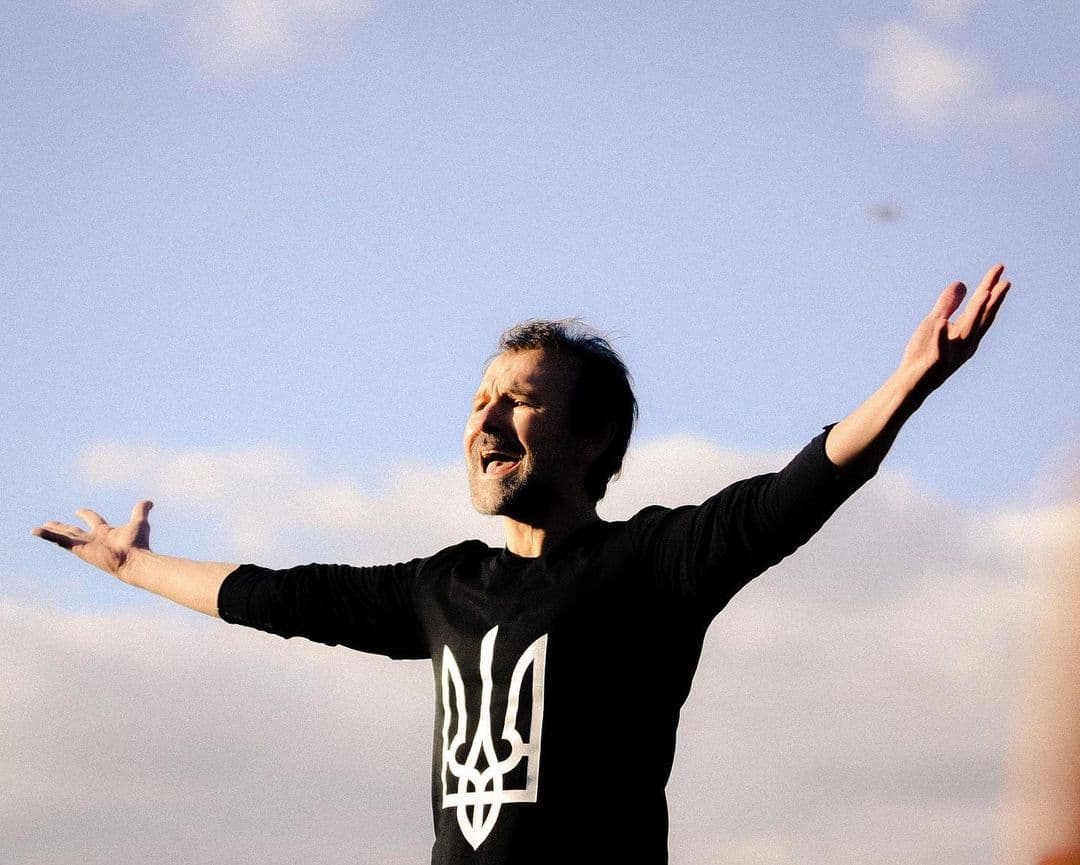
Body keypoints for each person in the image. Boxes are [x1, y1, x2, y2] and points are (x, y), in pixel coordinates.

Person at [33, 264, 1012, 864]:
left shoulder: (652, 562)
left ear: (591, 439)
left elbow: (792, 494)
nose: (486, 420)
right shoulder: (442, 587)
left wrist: (908, 384)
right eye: (478, 401)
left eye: (521, 401)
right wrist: (130, 568)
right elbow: (284, 597)